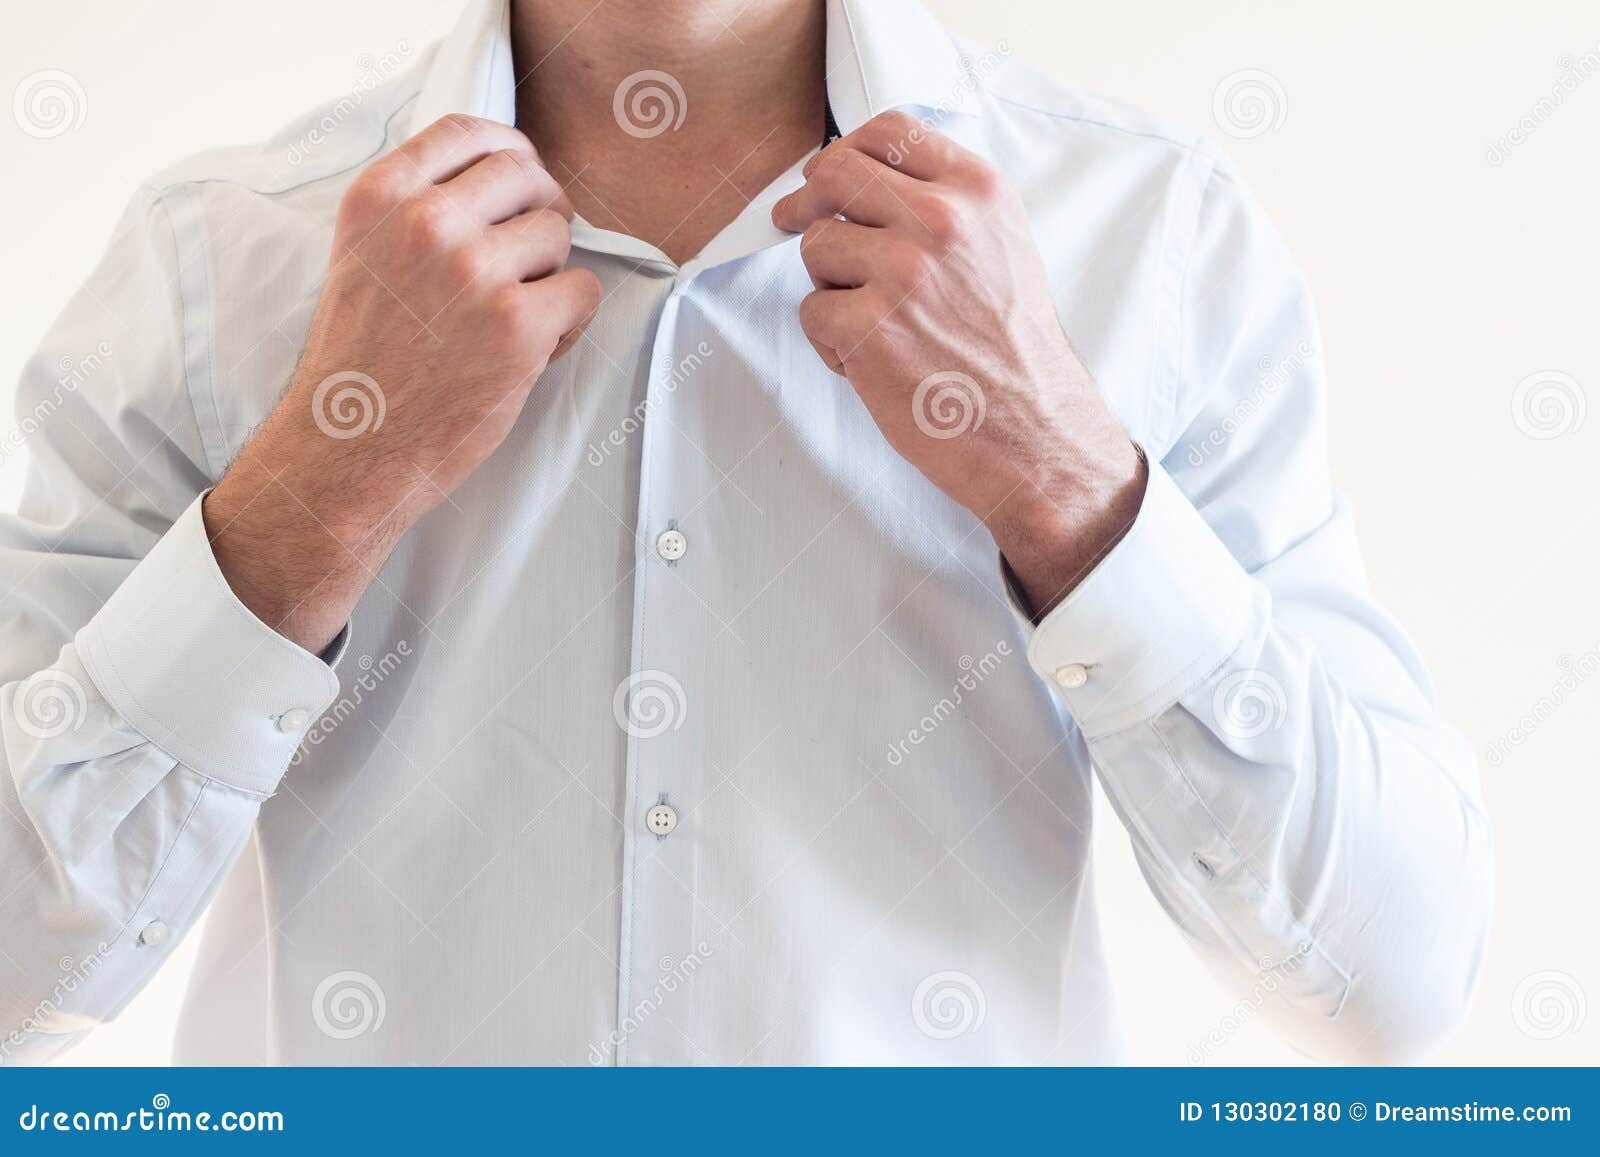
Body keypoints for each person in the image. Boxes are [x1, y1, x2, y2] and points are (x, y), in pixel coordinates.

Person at [0, 0, 1490, 1065]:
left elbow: (1394, 988)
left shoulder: (1149, 236)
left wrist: (1069, 481)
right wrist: (325, 475)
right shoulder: (216, 262)